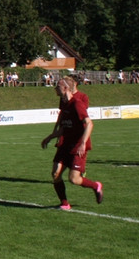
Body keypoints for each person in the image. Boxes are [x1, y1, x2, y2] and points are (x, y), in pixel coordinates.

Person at [40, 76, 103, 210]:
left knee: (74, 179)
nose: (55, 88)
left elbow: (89, 123)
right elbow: (64, 128)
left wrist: (83, 143)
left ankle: (96, 186)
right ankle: (64, 204)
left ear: (65, 88)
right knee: (55, 174)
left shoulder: (77, 103)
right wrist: (50, 137)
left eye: (57, 86)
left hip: (76, 146)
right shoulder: (65, 105)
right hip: (64, 145)